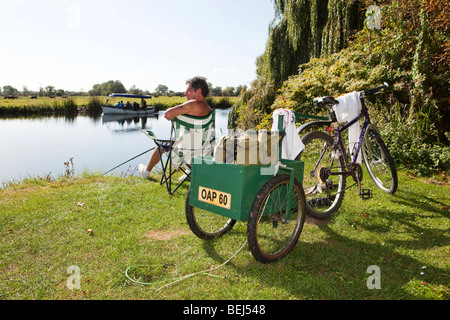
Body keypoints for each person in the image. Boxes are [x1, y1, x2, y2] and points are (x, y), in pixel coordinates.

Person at [138, 76, 211, 178]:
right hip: (201, 154)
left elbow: (167, 114)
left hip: (184, 155)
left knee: (160, 146)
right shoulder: (209, 109)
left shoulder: (192, 104)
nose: (185, 93)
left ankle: (146, 172)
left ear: (198, 91)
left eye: (189, 91)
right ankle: (189, 172)